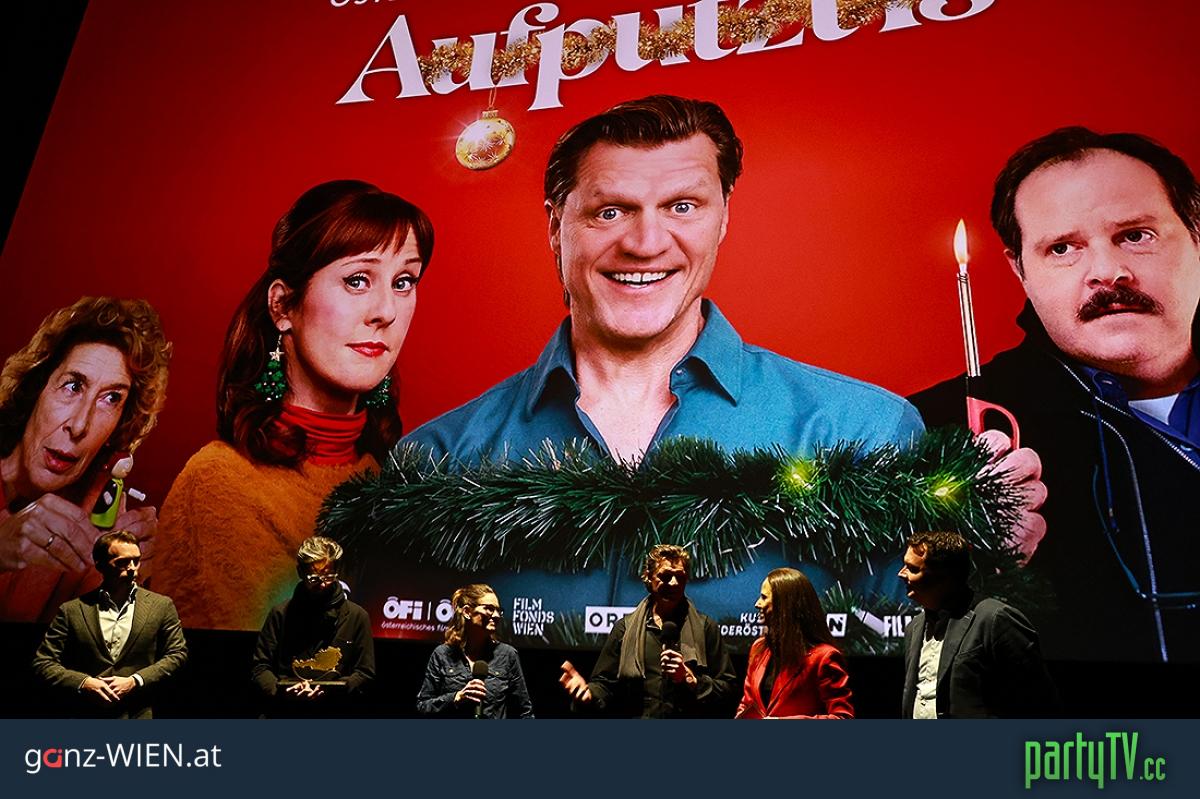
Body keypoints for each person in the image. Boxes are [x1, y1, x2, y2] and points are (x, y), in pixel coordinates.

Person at [399, 95, 1044, 649]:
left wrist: (982, 572)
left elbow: (921, 685)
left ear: (723, 217)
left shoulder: (867, 431)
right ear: (554, 226)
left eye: (682, 206)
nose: (646, 243)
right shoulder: (436, 458)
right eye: (610, 211)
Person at [909, 128, 1200, 662]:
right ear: (1020, 269)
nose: (1108, 272)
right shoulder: (924, 431)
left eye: (1135, 235)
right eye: (1062, 248)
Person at [155, 180, 435, 629]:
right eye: (357, 280)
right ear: (283, 305)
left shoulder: (389, 479)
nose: (386, 311)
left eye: (404, 282)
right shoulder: (219, 484)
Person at [1, 297, 170, 622]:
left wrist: (128, 591)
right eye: (73, 386)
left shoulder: (101, 521)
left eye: (111, 399)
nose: (79, 425)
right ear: (37, 386)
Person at [559, 544, 736, 717]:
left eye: (680, 577)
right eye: (666, 576)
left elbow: (729, 689)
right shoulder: (625, 628)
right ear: (649, 577)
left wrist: (692, 680)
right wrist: (589, 693)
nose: (674, 583)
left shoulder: (705, 628)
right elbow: (604, 684)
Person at [898, 531, 1057, 719]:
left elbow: (1038, 701)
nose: (901, 574)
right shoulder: (915, 627)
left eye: (913, 568)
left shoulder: (995, 619)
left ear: (946, 577)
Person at [31, 529, 187, 718]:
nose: (132, 568)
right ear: (100, 565)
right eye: (122, 562)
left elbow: (177, 654)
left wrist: (135, 680)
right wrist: (84, 683)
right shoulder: (72, 610)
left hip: (136, 715)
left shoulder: (160, 605)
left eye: (136, 560)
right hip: (86, 715)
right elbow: (44, 662)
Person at [250, 536, 375, 716]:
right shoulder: (280, 614)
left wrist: (332, 690)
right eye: (314, 578)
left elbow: (365, 673)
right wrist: (281, 691)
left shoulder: (357, 617)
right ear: (300, 572)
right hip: (284, 712)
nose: (323, 584)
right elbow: (260, 668)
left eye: (329, 576)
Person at [735, 567, 853, 719]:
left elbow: (843, 717)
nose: (757, 604)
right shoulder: (759, 648)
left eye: (764, 597)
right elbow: (747, 704)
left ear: (784, 605)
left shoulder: (824, 658)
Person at [416, 583, 534, 718]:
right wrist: (456, 698)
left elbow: (525, 712)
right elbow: (423, 706)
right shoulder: (442, 654)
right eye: (489, 609)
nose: (496, 615)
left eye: (498, 610)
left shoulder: (507, 655)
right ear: (467, 612)